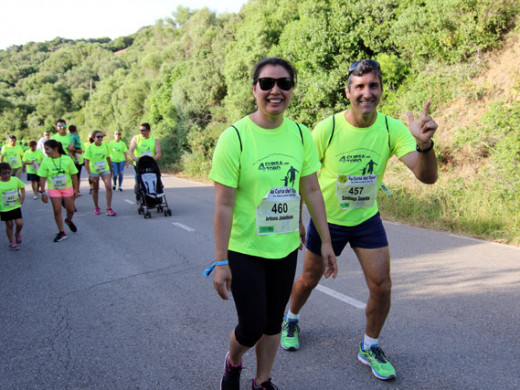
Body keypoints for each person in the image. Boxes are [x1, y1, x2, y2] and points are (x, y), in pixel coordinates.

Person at [280, 59, 439, 381]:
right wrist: (298, 218)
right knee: (309, 279)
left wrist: (424, 145)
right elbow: (302, 177)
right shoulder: (328, 128)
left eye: (373, 86)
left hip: (366, 218)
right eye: (360, 87)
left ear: (381, 90)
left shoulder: (392, 128)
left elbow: (427, 177)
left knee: (382, 285)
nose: (367, 93)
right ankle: (292, 318)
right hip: (328, 221)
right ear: (348, 91)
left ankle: (369, 346)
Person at [208, 57, 337, 390]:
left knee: (272, 322)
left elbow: (309, 188)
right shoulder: (234, 137)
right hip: (245, 248)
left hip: (284, 248)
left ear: (292, 89)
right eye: (267, 83)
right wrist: (221, 261)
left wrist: (325, 241)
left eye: (284, 83)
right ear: (255, 89)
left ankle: (262, 380)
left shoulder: (299, 134)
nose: (275, 90)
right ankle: (233, 361)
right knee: (250, 326)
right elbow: (223, 205)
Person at [37, 139, 79, 242]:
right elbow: (42, 177)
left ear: (55, 149)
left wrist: (76, 189)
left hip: (67, 187)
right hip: (53, 188)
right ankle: (61, 232)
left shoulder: (67, 159)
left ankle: (68, 220)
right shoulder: (46, 160)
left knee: (71, 209)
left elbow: (74, 175)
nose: (46, 151)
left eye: (47, 149)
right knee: (57, 209)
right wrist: (42, 192)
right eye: (44, 149)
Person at [84, 130, 116, 216]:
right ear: (93, 138)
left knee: (109, 187)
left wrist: (111, 169)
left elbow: (108, 158)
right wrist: (89, 174)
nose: (100, 138)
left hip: (105, 169)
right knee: (95, 189)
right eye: (98, 137)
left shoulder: (106, 146)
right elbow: (86, 162)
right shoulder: (90, 147)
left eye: (101, 137)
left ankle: (108, 208)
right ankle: (96, 207)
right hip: (94, 171)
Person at [0, 162, 25, 251]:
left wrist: (22, 197)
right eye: (4, 173)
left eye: (8, 172)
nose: (7, 175)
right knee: (9, 225)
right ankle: (12, 242)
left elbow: (22, 187)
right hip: (4, 208)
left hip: (15, 206)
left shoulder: (15, 180)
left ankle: (17, 233)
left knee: (19, 223)